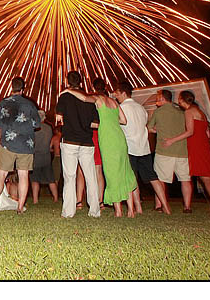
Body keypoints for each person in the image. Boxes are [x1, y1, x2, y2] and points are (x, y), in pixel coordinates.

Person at [62, 78, 136, 217]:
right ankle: (131, 210)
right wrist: (110, 121)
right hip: (120, 139)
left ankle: (118, 211)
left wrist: (69, 90)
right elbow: (123, 121)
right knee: (125, 172)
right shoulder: (114, 102)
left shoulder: (98, 99)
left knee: (111, 173)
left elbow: (84, 98)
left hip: (108, 140)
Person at [163, 90, 210, 217]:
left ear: (182, 100)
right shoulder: (200, 112)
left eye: (179, 99)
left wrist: (172, 140)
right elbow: (207, 132)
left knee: (206, 179)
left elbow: (190, 131)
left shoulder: (188, 112)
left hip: (198, 147)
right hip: (204, 146)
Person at [112, 81, 172, 215]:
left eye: (117, 93)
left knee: (130, 178)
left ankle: (137, 207)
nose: (115, 96)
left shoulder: (121, 108)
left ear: (123, 92)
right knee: (153, 177)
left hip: (129, 147)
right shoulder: (141, 108)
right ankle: (166, 206)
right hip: (143, 147)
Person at [0, 76, 40, 215]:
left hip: (8, 143)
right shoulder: (30, 104)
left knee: (1, 175)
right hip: (26, 145)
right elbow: (37, 124)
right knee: (23, 175)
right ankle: (20, 208)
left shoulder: (4, 103)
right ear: (23, 89)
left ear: (11, 87)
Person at [56, 71, 100, 218]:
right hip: (87, 142)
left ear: (67, 82)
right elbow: (95, 124)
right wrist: (84, 124)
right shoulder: (88, 99)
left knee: (70, 177)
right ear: (81, 82)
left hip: (69, 141)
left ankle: (68, 212)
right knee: (91, 177)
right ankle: (94, 210)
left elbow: (59, 119)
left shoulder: (64, 96)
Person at [147, 89, 193, 213]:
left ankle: (160, 205)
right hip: (182, 151)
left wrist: (157, 130)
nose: (156, 101)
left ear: (162, 98)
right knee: (185, 179)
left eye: (158, 98)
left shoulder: (158, 112)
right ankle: (187, 207)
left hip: (164, 150)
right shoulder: (181, 112)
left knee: (160, 179)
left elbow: (149, 128)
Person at [31, 110, 58, 203]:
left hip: (36, 156)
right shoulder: (49, 128)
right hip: (46, 156)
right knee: (50, 179)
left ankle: (35, 200)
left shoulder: (34, 128)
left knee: (35, 179)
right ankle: (55, 198)